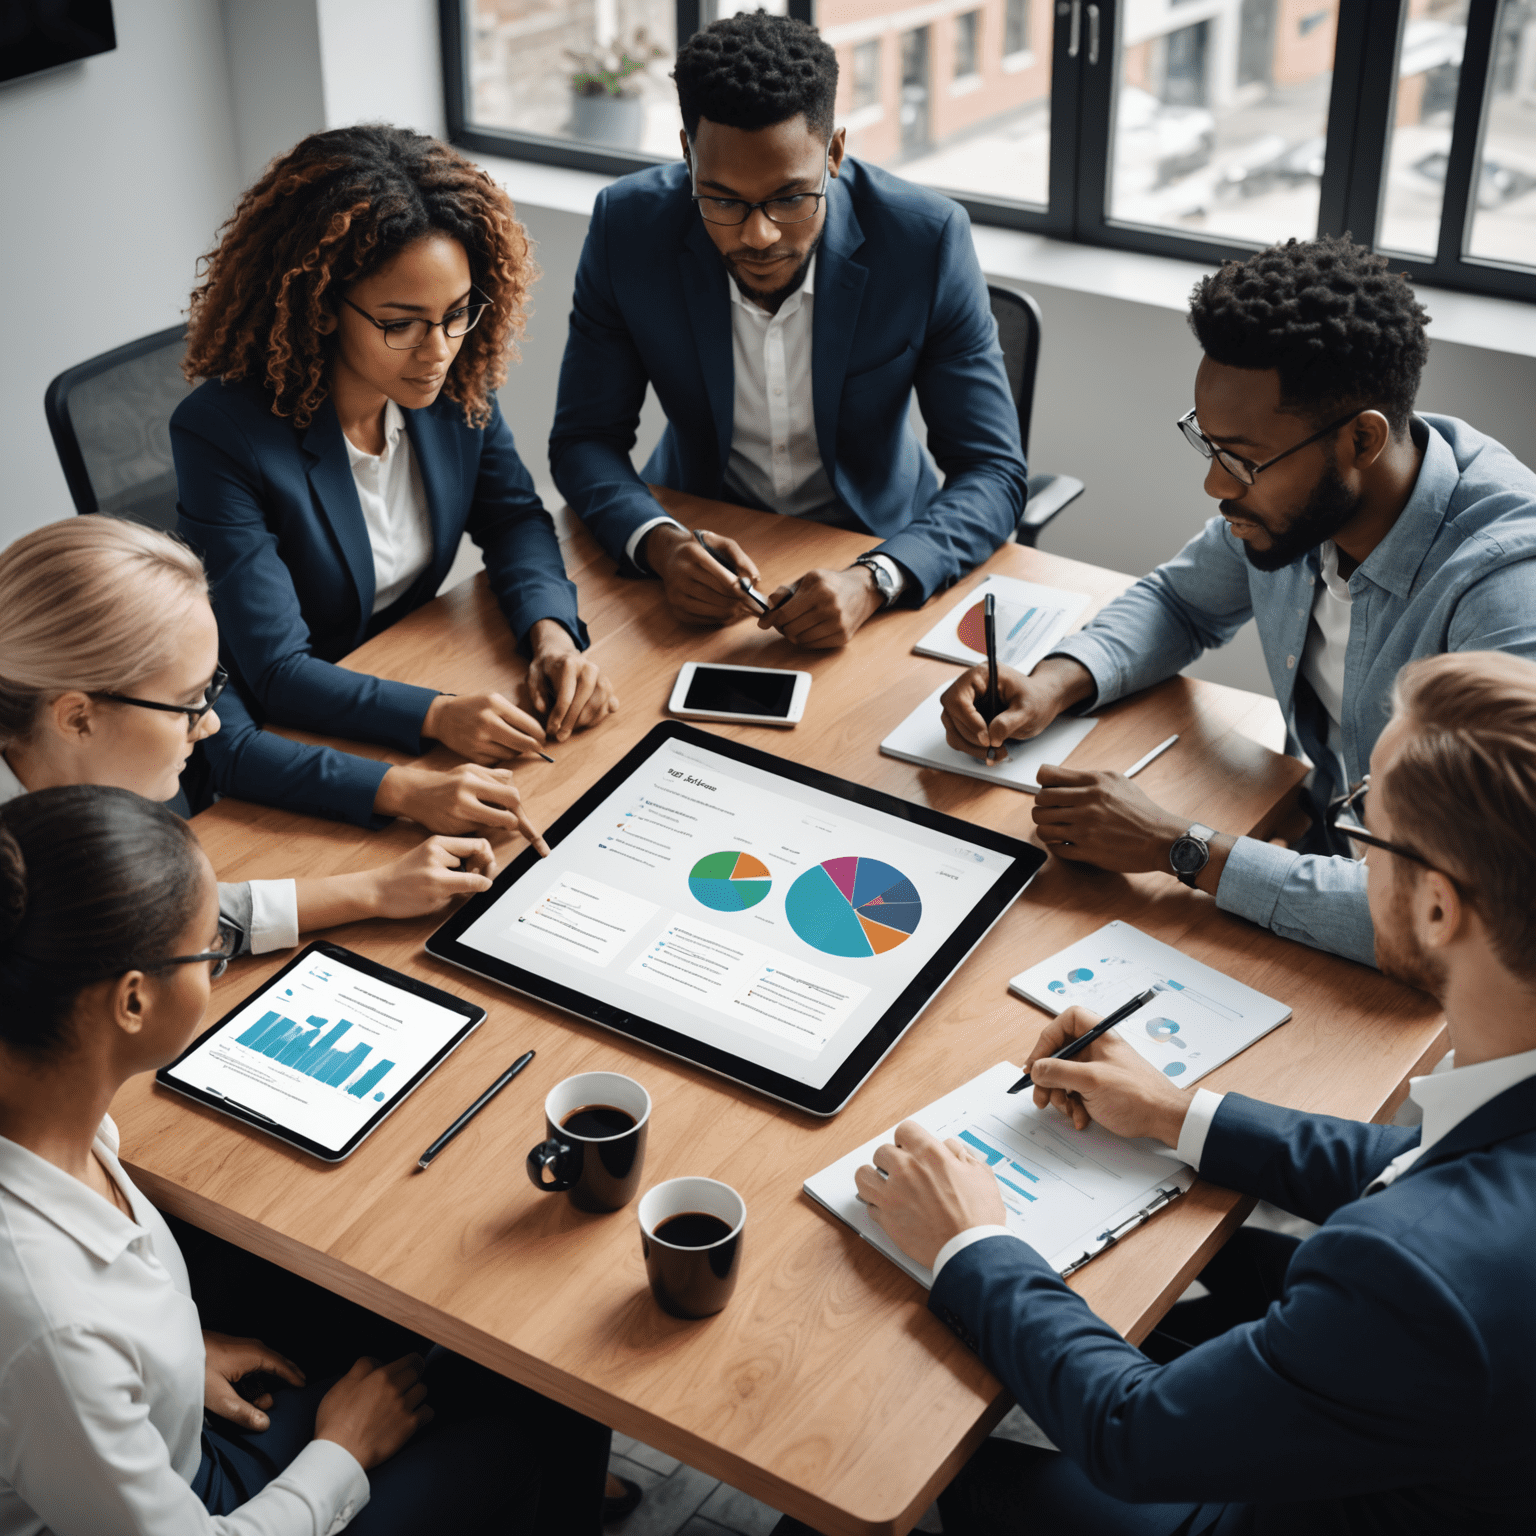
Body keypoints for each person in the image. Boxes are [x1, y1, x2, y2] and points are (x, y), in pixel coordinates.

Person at [845, 649, 1536, 1534]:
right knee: (1223, 1272)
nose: (1352, 848)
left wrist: (972, 1242)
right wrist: (1175, 1112)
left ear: (1438, 909)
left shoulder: (1413, 1279)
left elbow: (1134, 1436)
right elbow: (1424, 1163)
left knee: (900, 1463)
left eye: (1365, 830)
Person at [0, 782, 614, 1533]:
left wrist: (170, 1360)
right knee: (538, 1415)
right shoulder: (49, 1325)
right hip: (205, 1504)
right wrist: (342, 1453)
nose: (216, 965)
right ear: (131, 1004)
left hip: (161, 1428)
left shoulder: (45, 1104)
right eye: (210, 952)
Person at [940, 236, 1536, 966]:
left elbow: (1463, 916)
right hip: (1311, 859)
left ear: (1362, 441)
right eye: (1210, 447)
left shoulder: (1505, 591)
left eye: (1246, 461)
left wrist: (1178, 846)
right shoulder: (1299, 508)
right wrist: (1054, 681)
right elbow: (1180, 603)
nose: (1218, 487)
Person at [174, 124, 618, 831]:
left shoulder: (451, 383)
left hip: (402, 671)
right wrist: (439, 716)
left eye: (456, 315)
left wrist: (552, 633)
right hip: (278, 738)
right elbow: (280, 671)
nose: (437, 351)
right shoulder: (223, 434)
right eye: (401, 324)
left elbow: (512, 519)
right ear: (321, 306)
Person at [549, 10, 1026, 649]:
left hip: (878, 543)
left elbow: (992, 470)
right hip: (700, 535)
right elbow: (583, 440)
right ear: (688, 154)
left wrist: (877, 578)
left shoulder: (924, 240)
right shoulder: (627, 228)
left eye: (790, 198)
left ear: (833, 152)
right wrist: (660, 544)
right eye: (721, 199)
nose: (759, 234)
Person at [0, 516, 518, 958]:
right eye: (187, 704)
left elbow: (167, 910)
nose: (212, 724)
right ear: (76, 719)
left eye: (212, 689)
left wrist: (374, 890)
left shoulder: (78, 779)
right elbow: (152, 930)